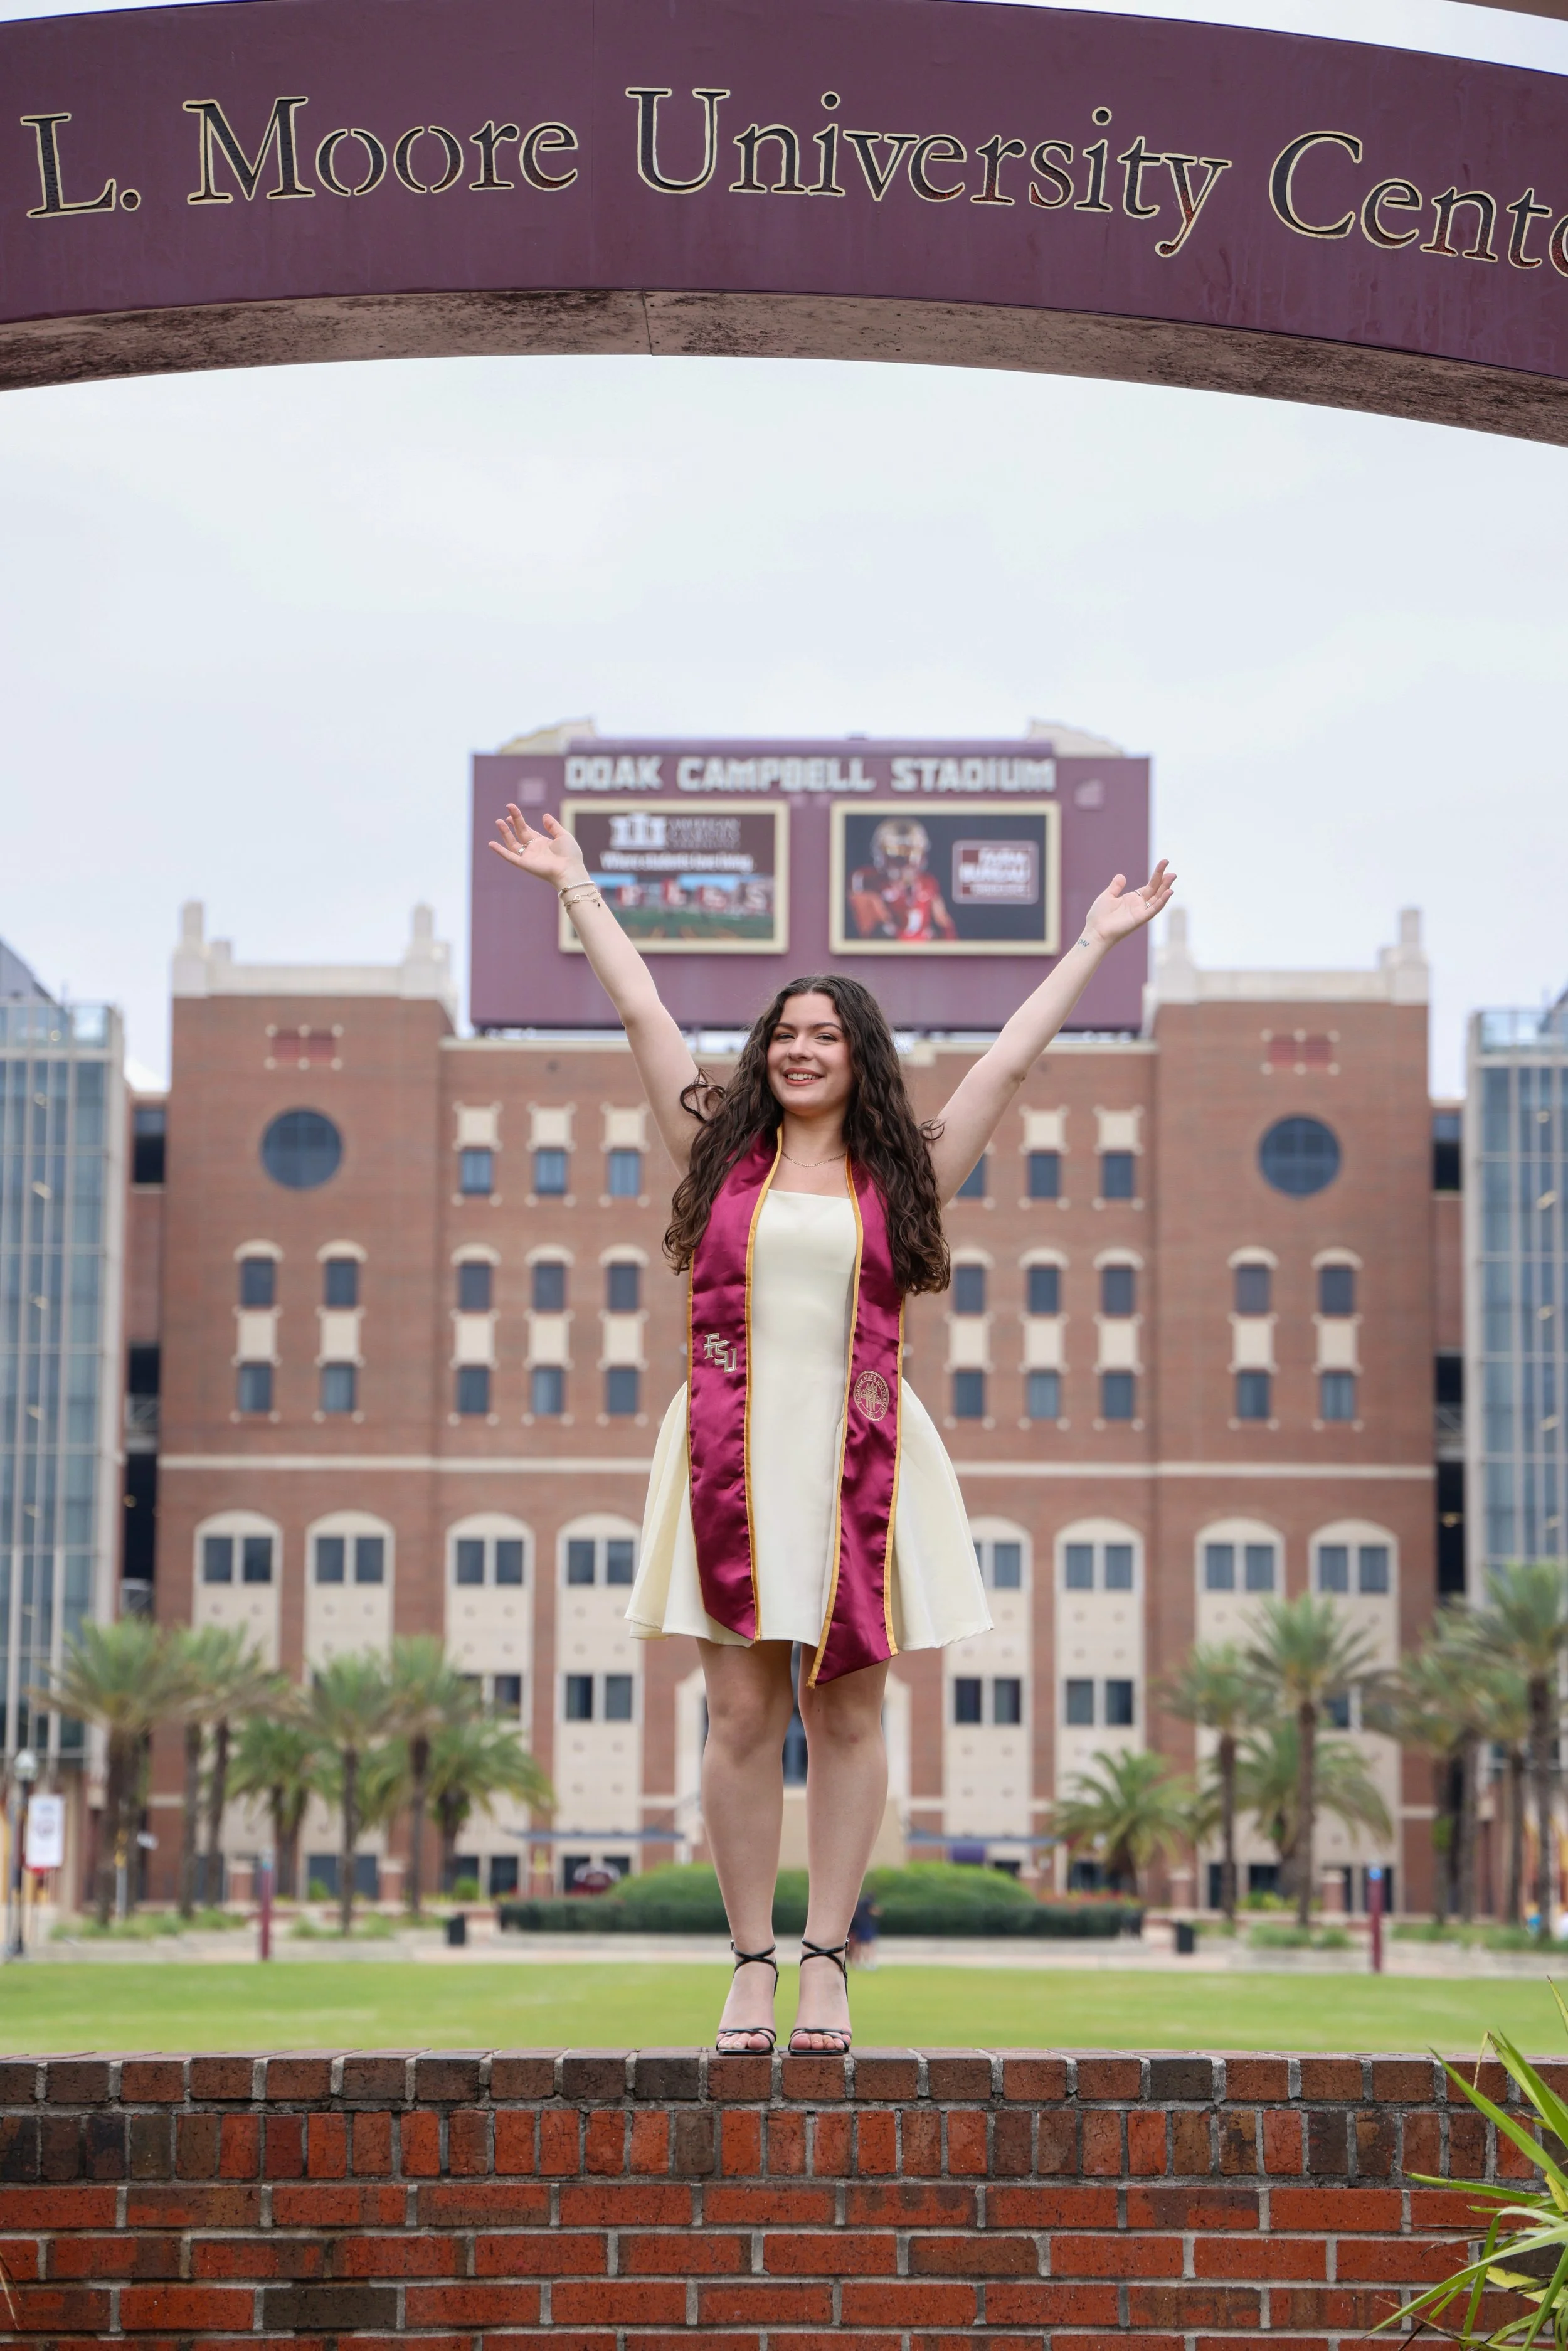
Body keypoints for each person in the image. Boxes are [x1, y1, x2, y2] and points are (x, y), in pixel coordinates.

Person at [489, 804, 1173, 2056]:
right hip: (725, 1449)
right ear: (762, 1054)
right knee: (741, 1716)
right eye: (782, 1033)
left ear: (858, 1054)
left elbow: (1004, 1068)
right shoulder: (716, 1151)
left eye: (824, 1033)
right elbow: (645, 1018)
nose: (800, 1048)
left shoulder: (901, 1173)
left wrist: (1087, 944)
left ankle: (826, 1963)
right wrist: (577, 889)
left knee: (848, 1713)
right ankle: (748, 1959)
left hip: (858, 1460)